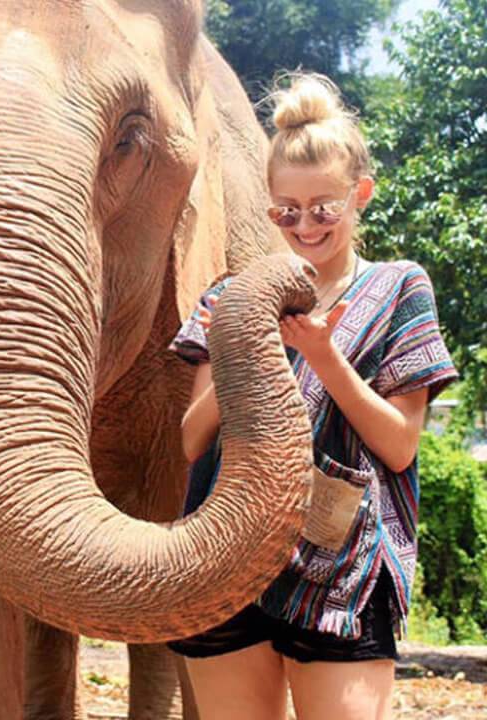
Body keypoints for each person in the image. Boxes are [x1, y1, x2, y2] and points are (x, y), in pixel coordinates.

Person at [168, 74, 458, 720]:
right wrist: (239, 349)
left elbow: (399, 444)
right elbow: (189, 441)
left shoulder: (399, 289)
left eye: (323, 207)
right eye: (286, 210)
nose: (304, 225)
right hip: (227, 556)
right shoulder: (230, 295)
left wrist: (324, 358)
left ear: (360, 195)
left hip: (344, 572)